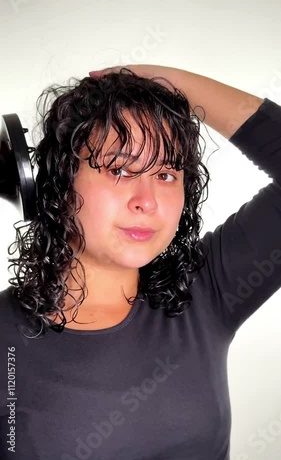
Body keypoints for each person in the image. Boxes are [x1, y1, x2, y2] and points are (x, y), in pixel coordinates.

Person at [0, 65, 280, 460]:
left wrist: (162, 82)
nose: (146, 201)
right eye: (119, 169)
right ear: (56, 182)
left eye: (166, 174)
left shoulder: (206, 292)